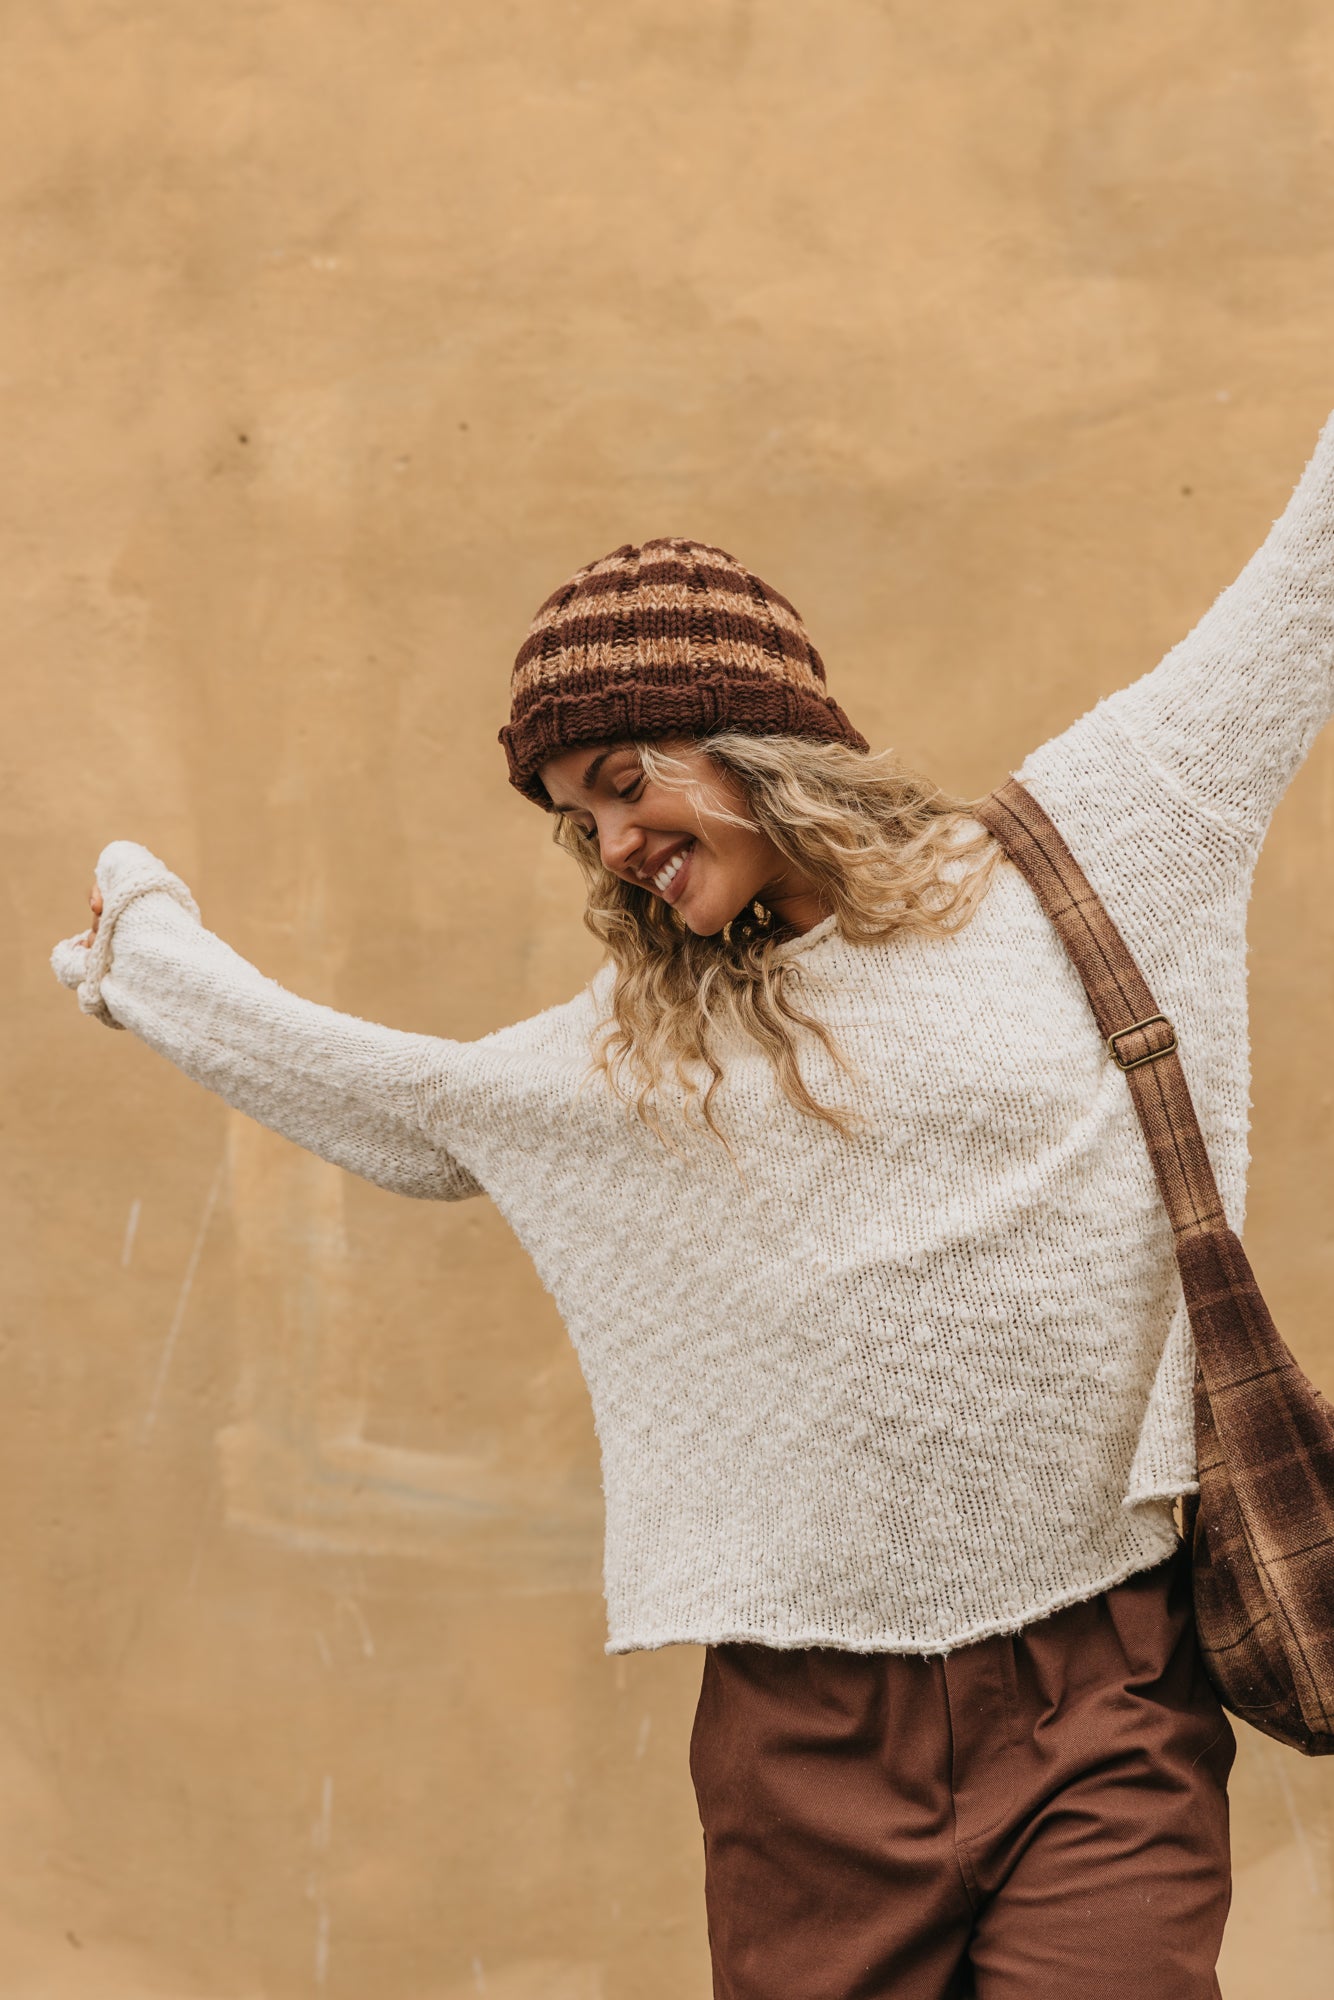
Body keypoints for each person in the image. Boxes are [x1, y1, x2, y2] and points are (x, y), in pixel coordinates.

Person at [54, 416, 1334, 2000]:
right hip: (804, 1754)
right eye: (571, 819)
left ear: (752, 734)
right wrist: (158, 970)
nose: (608, 844)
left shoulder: (1089, 845)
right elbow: (415, 1116)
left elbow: (1303, 589)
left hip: (1102, 1692)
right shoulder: (641, 1049)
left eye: (618, 781)